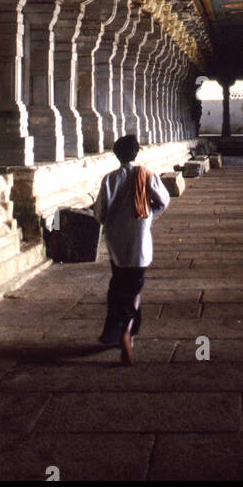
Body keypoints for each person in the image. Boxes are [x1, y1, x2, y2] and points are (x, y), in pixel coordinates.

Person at [93, 134, 170, 364]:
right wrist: (146, 214)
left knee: (118, 286)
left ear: (117, 155)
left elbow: (100, 214)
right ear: (136, 153)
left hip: (116, 244)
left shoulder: (110, 179)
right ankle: (128, 333)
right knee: (134, 290)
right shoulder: (147, 176)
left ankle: (117, 331)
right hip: (139, 242)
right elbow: (164, 201)